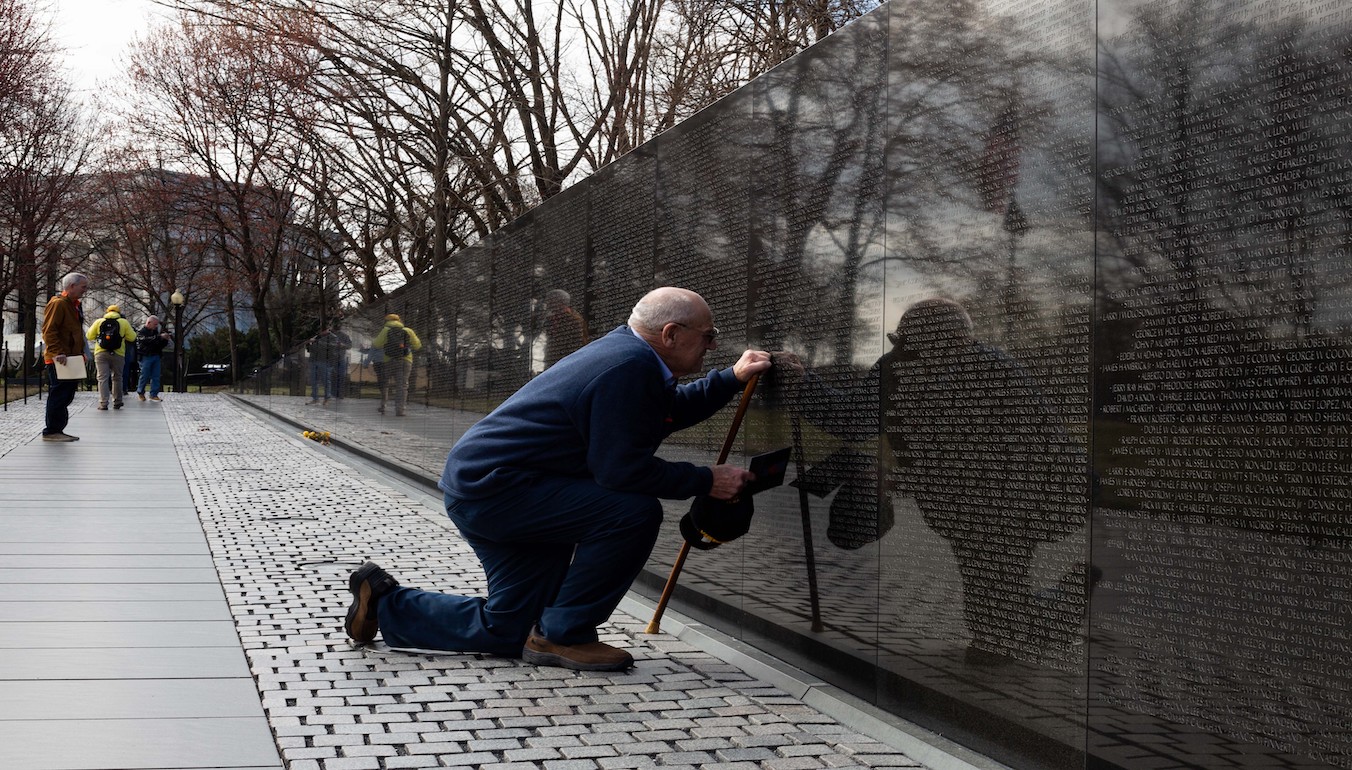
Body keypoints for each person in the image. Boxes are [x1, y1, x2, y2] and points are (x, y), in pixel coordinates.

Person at [344, 287, 773, 671]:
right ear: (672, 334)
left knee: (509, 630)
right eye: (708, 335)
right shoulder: (626, 367)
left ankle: (384, 603)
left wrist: (729, 380)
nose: (711, 345)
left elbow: (665, 412)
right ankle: (564, 633)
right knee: (632, 512)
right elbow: (620, 472)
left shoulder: (629, 356)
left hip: (494, 487)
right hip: (499, 492)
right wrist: (705, 479)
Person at [41, 272, 90, 441]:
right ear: (71, 286)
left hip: (71, 357)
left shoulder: (74, 305)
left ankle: (57, 429)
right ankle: (52, 431)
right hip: (61, 358)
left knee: (67, 394)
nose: (85, 290)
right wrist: (57, 352)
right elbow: (49, 330)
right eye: (83, 286)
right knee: (59, 394)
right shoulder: (59, 304)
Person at [85, 303, 137, 411]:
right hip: (118, 353)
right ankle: (117, 401)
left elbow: (89, 336)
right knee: (117, 377)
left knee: (102, 378)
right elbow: (132, 337)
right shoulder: (123, 322)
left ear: (107, 312)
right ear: (118, 313)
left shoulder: (99, 322)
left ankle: (103, 403)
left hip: (101, 353)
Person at [372, 314, 422, 416]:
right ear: (399, 320)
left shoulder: (385, 330)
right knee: (402, 385)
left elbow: (376, 344)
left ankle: (383, 405)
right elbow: (417, 345)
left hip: (389, 360)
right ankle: (400, 410)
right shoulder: (408, 331)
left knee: (385, 383)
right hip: (405, 360)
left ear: (386, 321)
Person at [539, 289, 589, 369]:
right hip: (553, 363)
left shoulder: (574, 320)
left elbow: (579, 343)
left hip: (568, 364)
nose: (547, 304)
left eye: (550, 300)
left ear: (560, 302)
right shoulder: (550, 320)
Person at [306, 324, 349, 405]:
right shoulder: (316, 337)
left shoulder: (333, 337)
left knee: (326, 380)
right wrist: (309, 343)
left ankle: (327, 398)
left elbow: (331, 346)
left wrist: (317, 342)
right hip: (314, 360)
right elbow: (309, 349)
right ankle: (315, 398)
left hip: (325, 361)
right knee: (314, 380)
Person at [134, 316, 172, 401]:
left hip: (156, 355)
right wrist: (160, 337)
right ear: (149, 323)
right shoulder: (141, 332)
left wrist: (165, 340)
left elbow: (159, 344)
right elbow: (146, 341)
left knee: (156, 376)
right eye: (155, 324)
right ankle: (141, 392)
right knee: (144, 375)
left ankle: (154, 394)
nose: (156, 326)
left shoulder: (155, 332)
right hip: (145, 356)